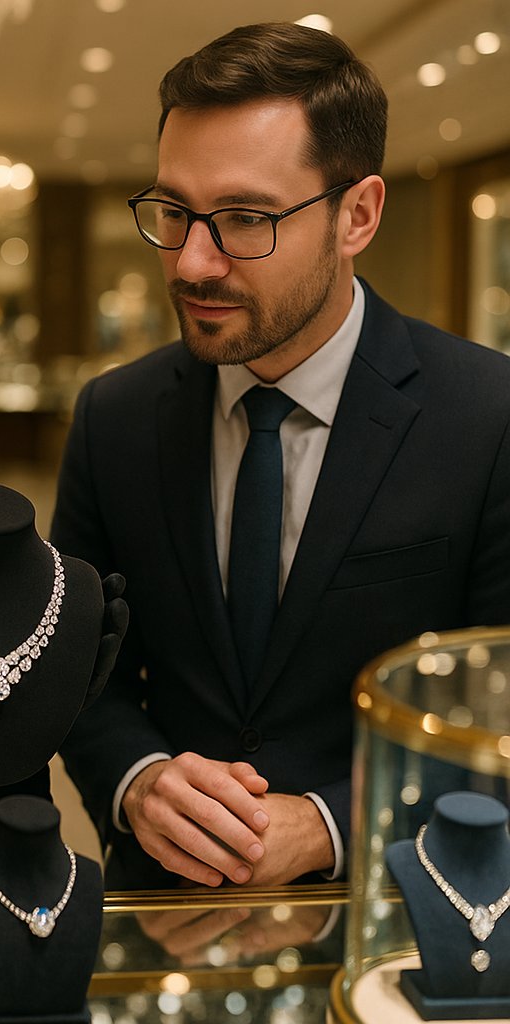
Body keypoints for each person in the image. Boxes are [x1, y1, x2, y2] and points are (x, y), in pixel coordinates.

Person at [51, 22, 510, 891]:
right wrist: (138, 782)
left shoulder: (488, 417)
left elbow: (500, 714)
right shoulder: (115, 417)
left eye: (244, 220)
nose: (192, 260)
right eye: (175, 212)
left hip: (398, 918)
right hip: (160, 923)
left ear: (358, 215)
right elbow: (80, 677)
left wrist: (334, 822)